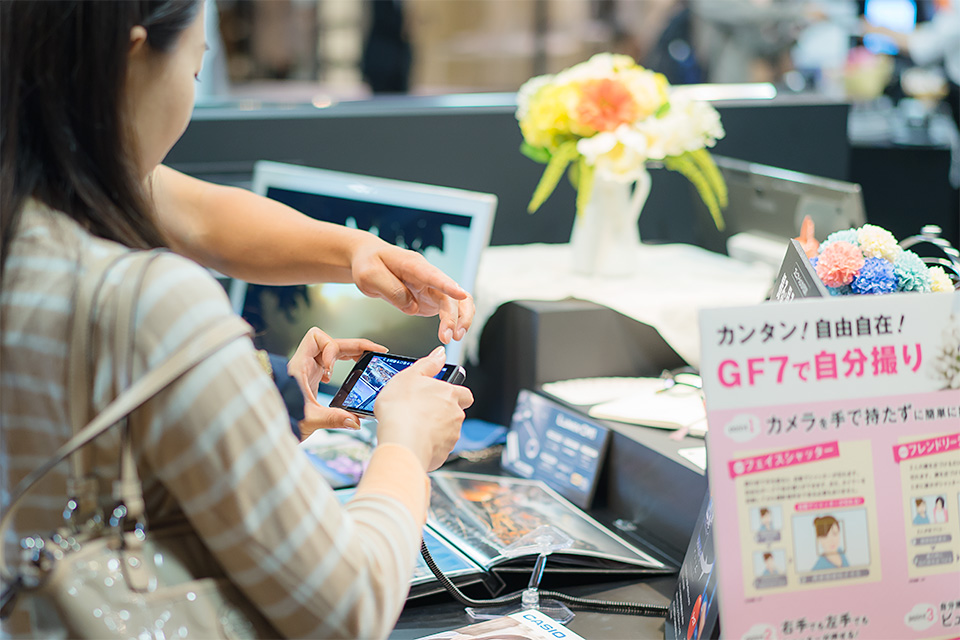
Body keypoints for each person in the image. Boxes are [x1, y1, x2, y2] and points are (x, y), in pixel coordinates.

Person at [0, 2, 474, 637]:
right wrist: (406, 445)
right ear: (133, 59)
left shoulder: (28, 212)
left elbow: (196, 214)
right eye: (195, 71)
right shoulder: (153, 301)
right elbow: (349, 607)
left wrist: (357, 252)